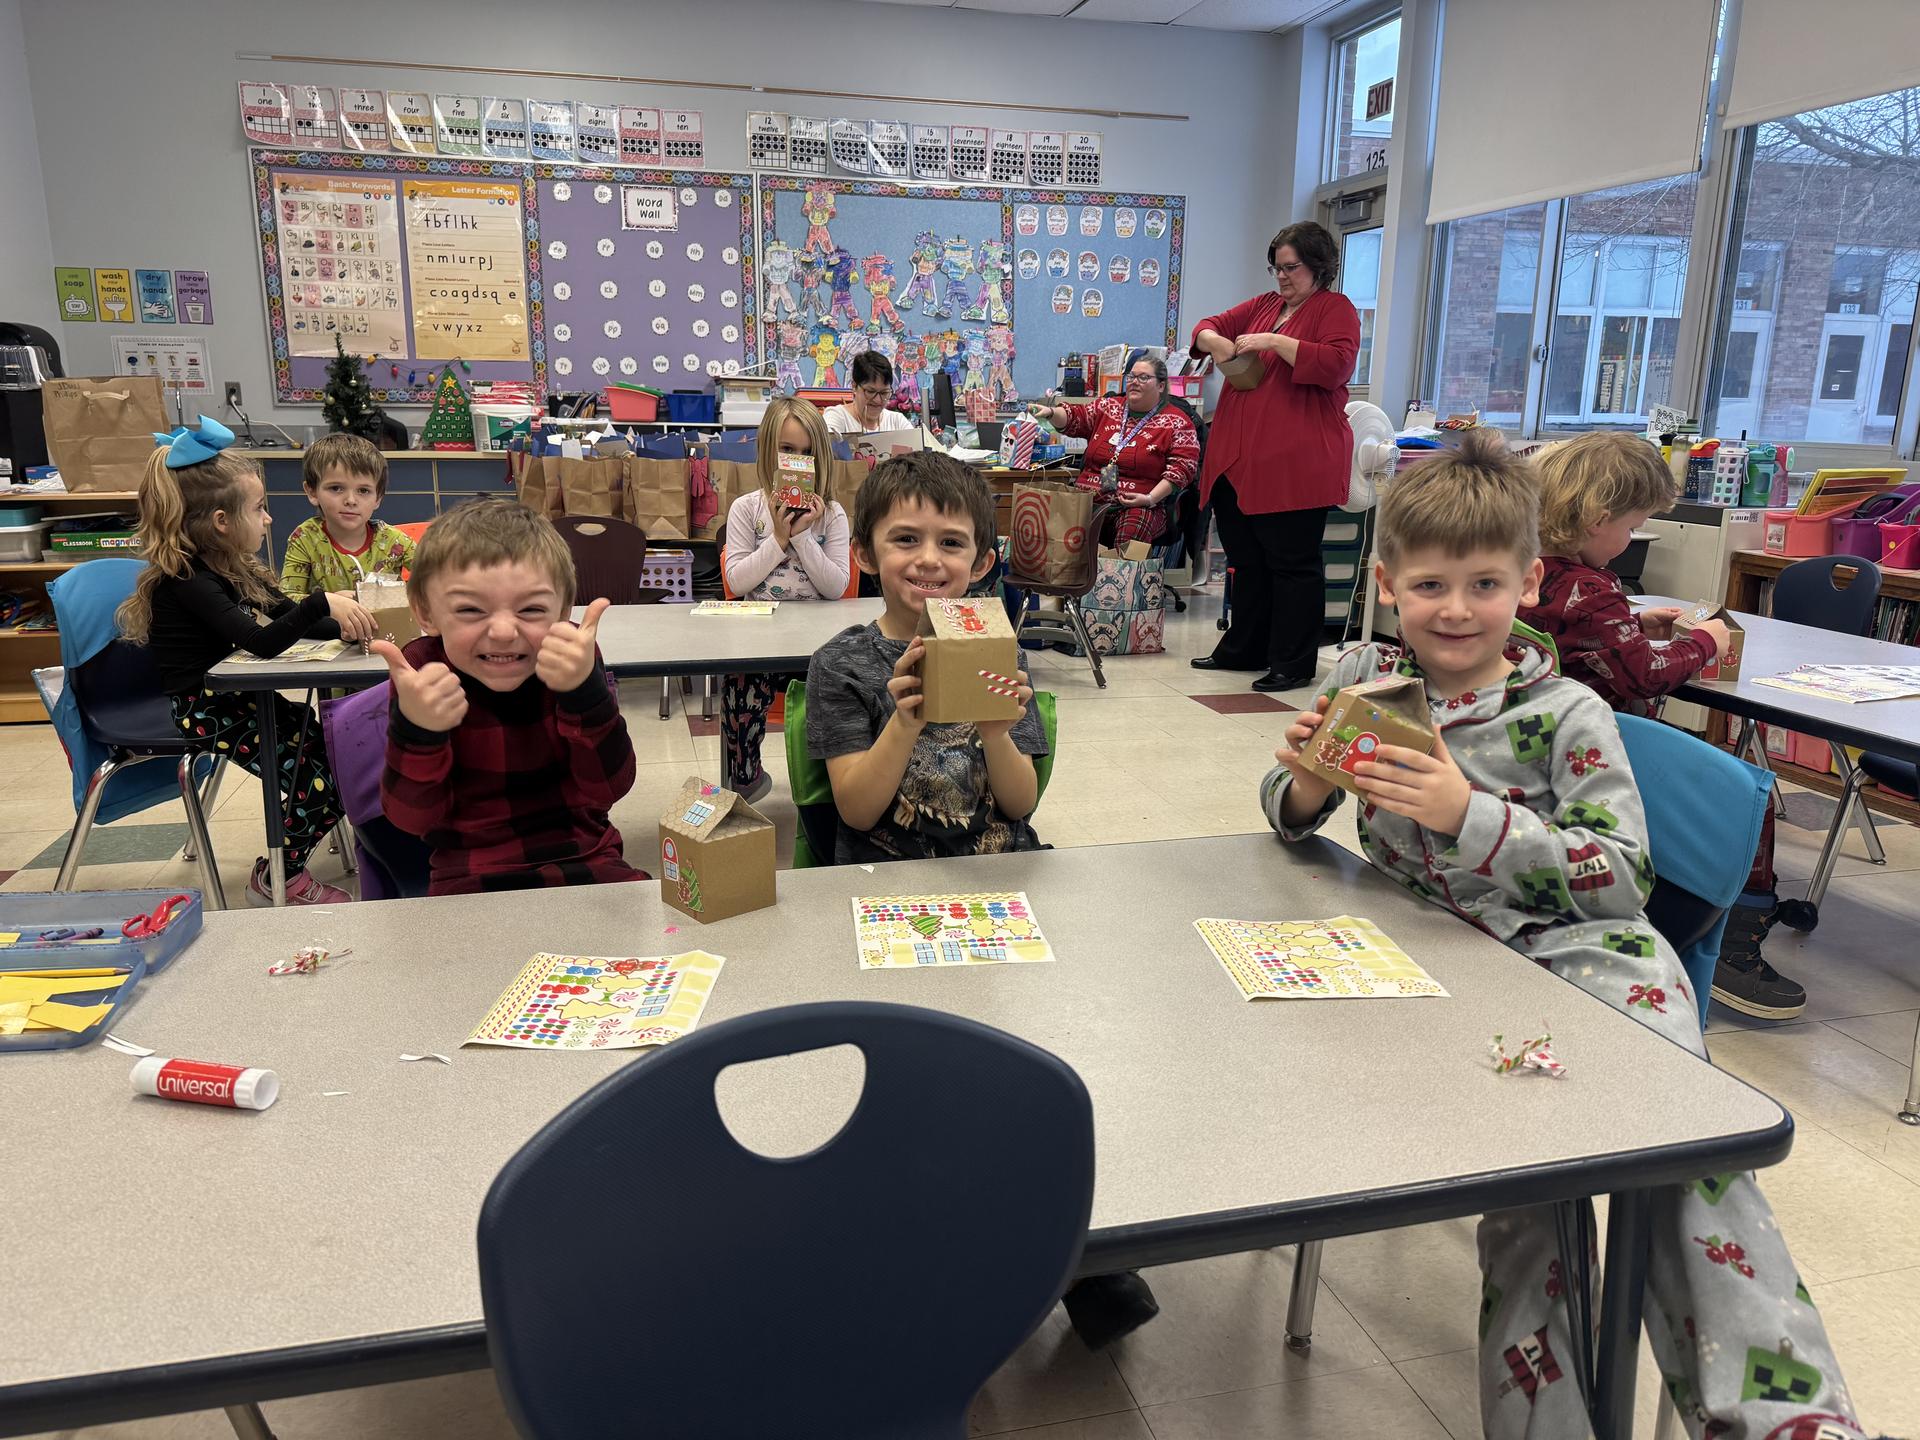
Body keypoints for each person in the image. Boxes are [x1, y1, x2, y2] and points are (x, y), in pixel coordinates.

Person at [1261, 432, 1864, 1440]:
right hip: (1421, 978)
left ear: (1530, 581)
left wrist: (1469, 812)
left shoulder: (1567, 712)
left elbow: (1622, 878)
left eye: (1485, 583)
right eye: (1430, 586)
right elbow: (1284, 808)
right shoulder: (1364, 679)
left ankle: (1780, 1418)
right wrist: (1310, 778)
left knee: (1681, 1152)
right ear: (1387, 585)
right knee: (1531, 1195)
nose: (1455, 609)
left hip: (1580, 964)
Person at [1519, 432, 1804, 1021]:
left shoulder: (1531, 571)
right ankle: (1737, 945)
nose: (1629, 541)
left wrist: (1634, 621)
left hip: (1542, 742)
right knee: (1755, 801)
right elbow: (1645, 676)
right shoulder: (1592, 589)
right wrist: (1706, 641)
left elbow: (1581, 640)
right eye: (1631, 526)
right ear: (1598, 520)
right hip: (1606, 749)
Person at [118, 416, 377, 906]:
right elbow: (262, 644)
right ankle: (281, 876)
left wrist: (347, 622)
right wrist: (321, 602)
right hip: (208, 711)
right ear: (222, 521)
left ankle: (291, 864)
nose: (267, 519)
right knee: (320, 783)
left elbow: (288, 616)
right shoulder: (191, 579)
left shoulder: (227, 567)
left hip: (239, 700)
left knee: (342, 760)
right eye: (259, 509)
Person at [372, 499, 643, 896]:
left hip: (586, 856)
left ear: (563, 610)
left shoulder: (570, 656)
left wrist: (584, 691)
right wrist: (418, 730)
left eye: (531, 609)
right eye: (470, 610)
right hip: (468, 872)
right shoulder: (421, 673)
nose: (502, 631)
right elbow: (411, 818)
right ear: (426, 613)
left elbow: (611, 787)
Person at [805, 451, 1043, 865]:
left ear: (982, 563)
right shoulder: (841, 664)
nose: (930, 559)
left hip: (997, 869)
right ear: (864, 555)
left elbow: (1020, 804)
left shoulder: (1001, 651)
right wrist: (903, 723)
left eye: (951, 543)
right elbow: (857, 813)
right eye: (905, 539)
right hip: (888, 879)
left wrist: (995, 734)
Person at [1189, 221, 1360, 693]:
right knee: (1246, 561)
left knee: (1292, 564)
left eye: (1291, 268)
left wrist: (1274, 342)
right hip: (1239, 462)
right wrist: (1216, 341)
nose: (1282, 277)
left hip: (1294, 464)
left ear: (1318, 265)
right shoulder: (1264, 305)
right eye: (1276, 268)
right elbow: (1207, 326)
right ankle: (1245, 647)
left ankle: (1292, 661)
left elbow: (1336, 365)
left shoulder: (1335, 309)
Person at [721, 397, 852, 802]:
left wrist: (801, 536)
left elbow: (837, 586)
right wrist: (777, 538)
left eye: (808, 454)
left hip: (816, 645)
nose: (797, 462)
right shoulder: (747, 509)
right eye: (787, 451)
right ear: (769, 454)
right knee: (739, 688)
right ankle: (746, 775)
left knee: (838, 692)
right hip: (761, 641)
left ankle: (830, 778)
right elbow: (737, 578)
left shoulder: (832, 515)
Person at [1027, 349, 1199, 549]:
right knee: (1050, 525)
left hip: (1138, 504)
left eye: (1144, 377)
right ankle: (1068, 578)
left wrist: (1150, 498)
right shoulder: (1109, 407)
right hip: (1088, 499)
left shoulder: (1178, 422)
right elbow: (1076, 416)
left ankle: (1121, 580)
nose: (1134, 381)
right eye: (1131, 376)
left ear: (1161, 385)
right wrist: (1049, 412)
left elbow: (1182, 470)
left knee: (1132, 532)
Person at [279, 432, 417, 598]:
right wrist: (328, 603)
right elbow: (286, 599)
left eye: (363, 491)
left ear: (378, 498)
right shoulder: (305, 538)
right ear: (312, 492)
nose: (351, 500)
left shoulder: (394, 541)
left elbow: (438, 576)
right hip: (328, 623)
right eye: (336, 488)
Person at [824, 350, 914, 437]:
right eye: (870, 392)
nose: (877, 400)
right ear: (854, 386)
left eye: (884, 393)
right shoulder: (837, 417)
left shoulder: (897, 422)